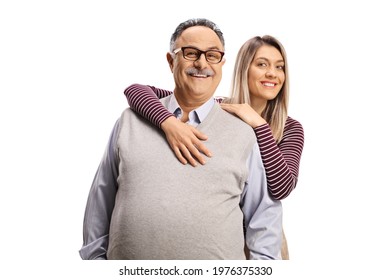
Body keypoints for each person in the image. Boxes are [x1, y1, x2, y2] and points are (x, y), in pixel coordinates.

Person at [79, 18, 282, 260]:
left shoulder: (243, 132)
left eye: (212, 55)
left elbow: (264, 216)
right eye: (190, 53)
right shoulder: (130, 121)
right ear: (171, 60)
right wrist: (94, 262)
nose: (201, 63)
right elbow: (101, 199)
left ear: (222, 63)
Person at [123, 35, 304, 259]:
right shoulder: (218, 108)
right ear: (244, 69)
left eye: (280, 67)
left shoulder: (290, 128)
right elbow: (136, 91)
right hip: (218, 238)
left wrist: (259, 125)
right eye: (262, 64)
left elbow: (282, 187)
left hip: (263, 239)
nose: (272, 74)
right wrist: (168, 123)